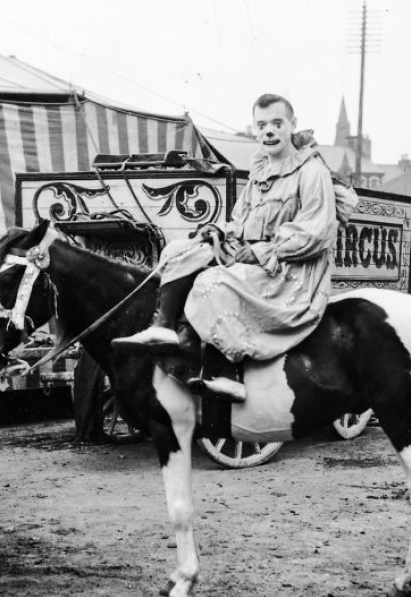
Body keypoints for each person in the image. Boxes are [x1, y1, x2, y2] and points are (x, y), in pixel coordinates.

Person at [115, 94, 352, 401]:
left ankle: (227, 372)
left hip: (291, 272)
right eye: (262, 125)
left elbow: (316, 232)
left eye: (277, 124)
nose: (269, 131)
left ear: (293, 125)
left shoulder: (311, 172)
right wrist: (219, 230)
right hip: (254, 262)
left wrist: (263, 251)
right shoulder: (260, 174)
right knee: (178, 250)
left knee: (211, 281)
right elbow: (240, 222)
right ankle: (165, 328)